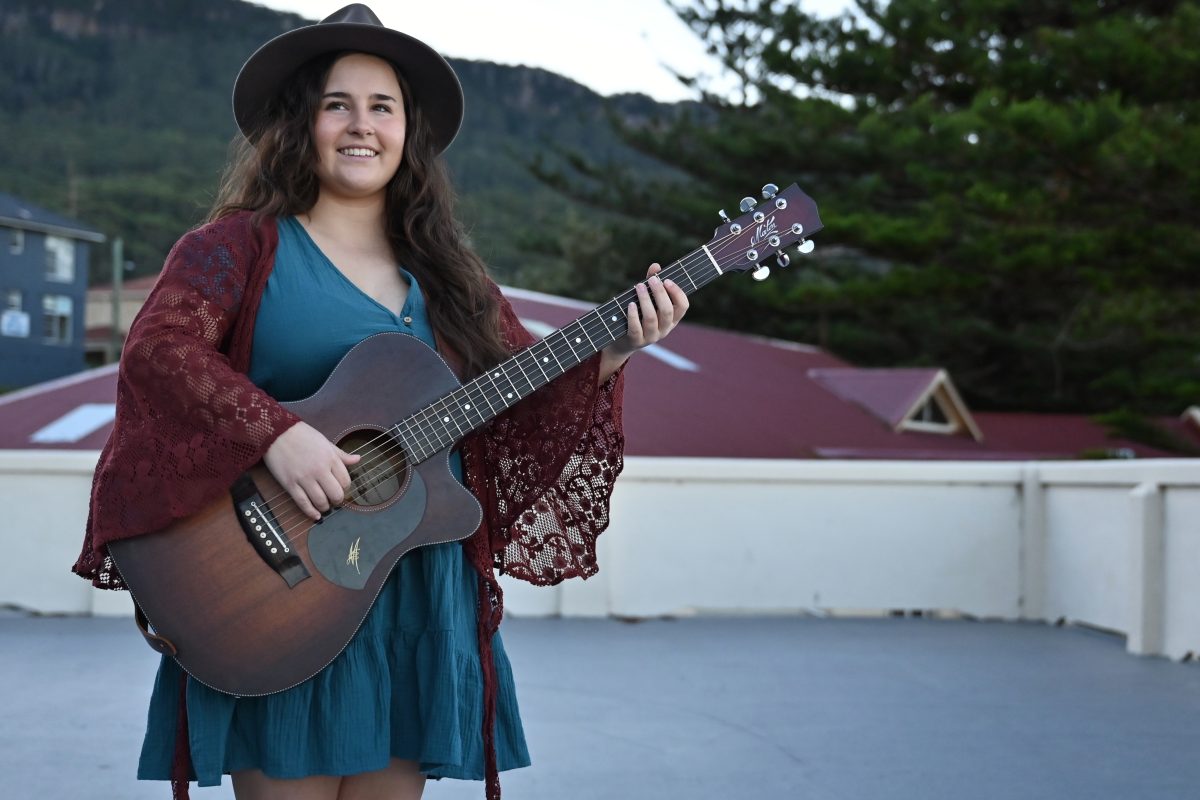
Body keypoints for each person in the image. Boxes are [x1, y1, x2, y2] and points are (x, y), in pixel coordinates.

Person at [71, 4, 688, 800]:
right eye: (338, 104)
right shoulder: (237, 249)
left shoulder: (455, 282)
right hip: (281, 593)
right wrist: (279, 436)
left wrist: (612, 351)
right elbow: (159, 354)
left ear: (408, 133)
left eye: (382, 107)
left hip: (413, 602)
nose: (361, 126)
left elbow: (506, 422)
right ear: (303, 123)